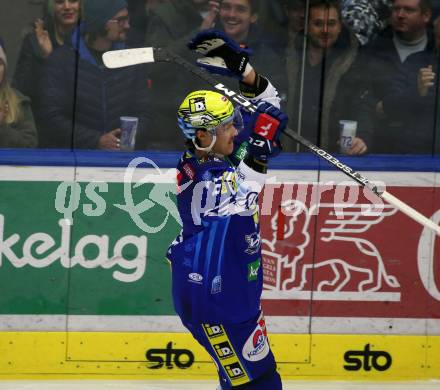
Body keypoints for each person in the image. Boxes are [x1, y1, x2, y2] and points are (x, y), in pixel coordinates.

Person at [167, 30, 286, 389]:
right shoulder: (203, 176)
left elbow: (271, 108)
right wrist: (260, 151)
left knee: (249, 379)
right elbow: (244, 198)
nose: (237, 130)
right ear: (203, 136)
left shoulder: (219, 152)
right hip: (214, 296)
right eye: (228, 126)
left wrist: (243, 70)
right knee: (257, 382)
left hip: (235, 289)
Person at [39, 0, 151, 149]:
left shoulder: (131, 60)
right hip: (76, 159)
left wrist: (123, 138)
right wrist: (96, 140)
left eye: (127, 19)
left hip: (123, 157)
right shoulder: (62, 61)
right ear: (102, 21)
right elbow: (51, 116)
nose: (127, 25)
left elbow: (145, 113)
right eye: (120, 20)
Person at [284, 0, 372, 154]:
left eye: (331, 24)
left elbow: (365, 104)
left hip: (335, 160)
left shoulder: (357, 59)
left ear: (340, 27)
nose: (325, 30)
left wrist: (363, 137)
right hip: (288, 155)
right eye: (318, 23)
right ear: (306, 26)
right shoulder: (287, 55)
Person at [362, 0, 433, 153]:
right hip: (379, 145)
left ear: (426, 15)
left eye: (408, 10)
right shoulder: (372, 50)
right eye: (396, 9)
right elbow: (365, 100)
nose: (400, 15)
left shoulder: (435, 50)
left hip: (426, 149)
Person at [381, 15, 440, 153]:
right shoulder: (415, 62)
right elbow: (388, 106)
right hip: (416, 153)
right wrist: (417, 91)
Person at [13, 0, 81, 112]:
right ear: (51, 6)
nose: (67, 7)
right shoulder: (34, 40)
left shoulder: (92, 37)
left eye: (73, 1)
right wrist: (44, 58)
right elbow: (21, 90)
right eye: (59, 2)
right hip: (46, 117)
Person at [0, 39, 38, 148]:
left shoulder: (18, 102)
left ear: (5, 69)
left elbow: (30, 144)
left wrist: (2, 127)